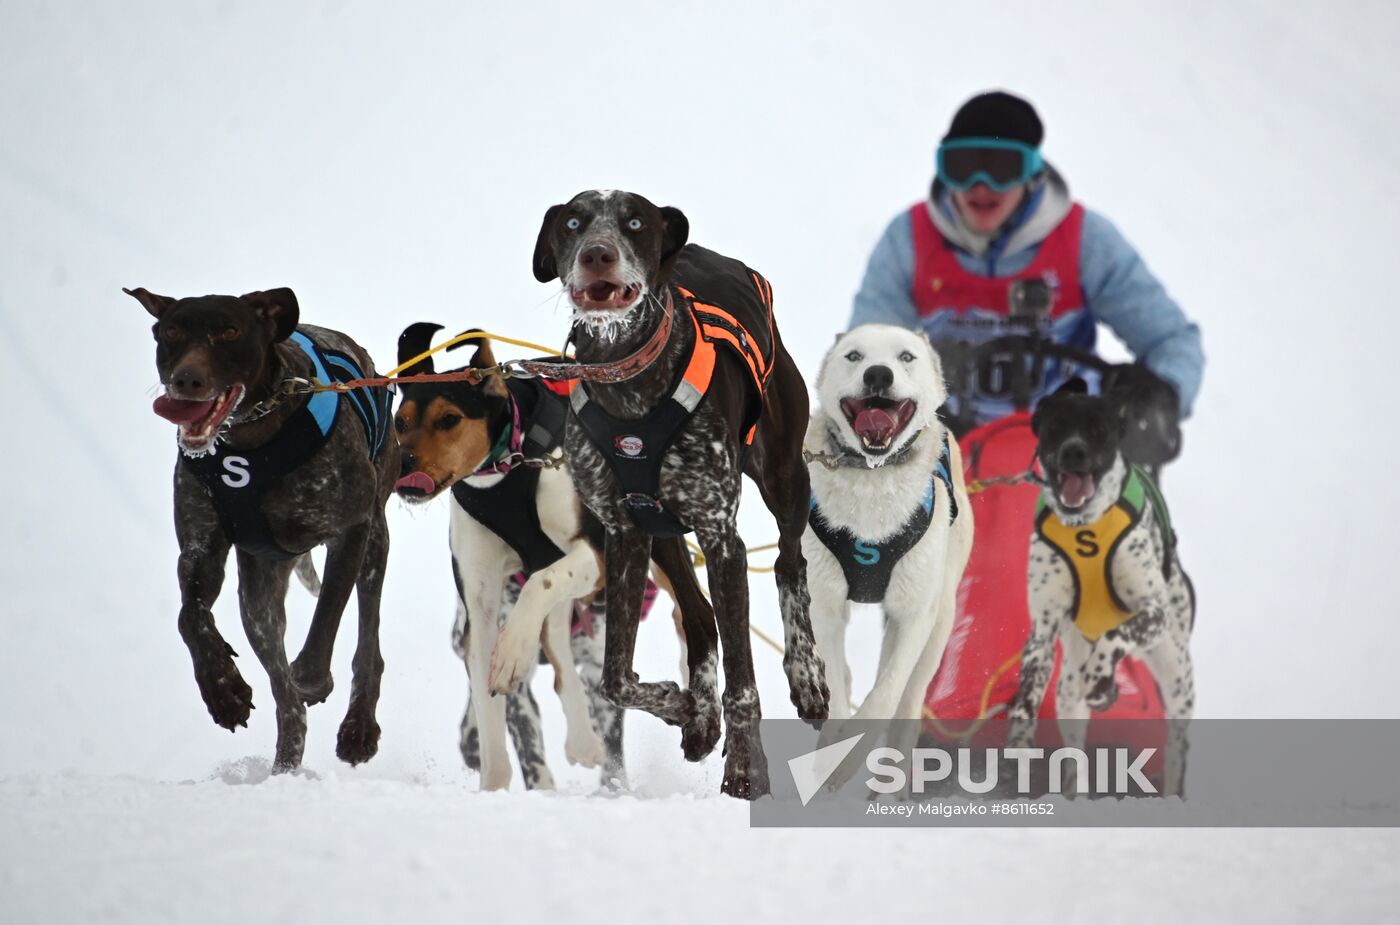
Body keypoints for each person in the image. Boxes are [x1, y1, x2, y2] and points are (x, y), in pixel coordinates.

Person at [849, 90, 1204, 432]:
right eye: (962, 167)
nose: (981, 186)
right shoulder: (910, 239)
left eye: (1002, 168)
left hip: (1071, 447)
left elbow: (1171, 340)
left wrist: (1161, 401)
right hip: (948, 446)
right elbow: (865, 351)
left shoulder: (1083, 240)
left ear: (1033, 173)